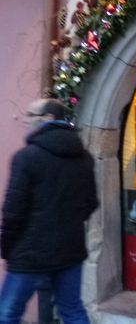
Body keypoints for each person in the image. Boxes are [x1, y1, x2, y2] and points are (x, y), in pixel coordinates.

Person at [0, 98, 98, 323]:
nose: (25, 120)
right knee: (73, 311)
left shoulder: (26, 157)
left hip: (29, 253)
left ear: (48, 119)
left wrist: (7, 249)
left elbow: (13, 212)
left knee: (7, 313)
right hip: (70, 249)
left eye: (31, 115)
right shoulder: (84, 158)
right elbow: (91, 203)